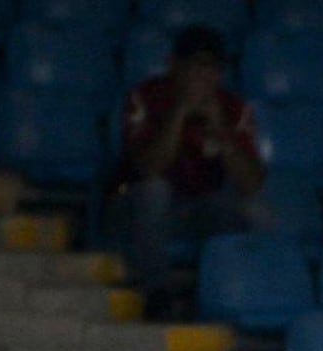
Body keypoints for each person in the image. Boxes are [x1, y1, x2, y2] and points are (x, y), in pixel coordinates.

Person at [114, 27, 266, 321]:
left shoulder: (232, 108)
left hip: (199, 210)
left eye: (214, 68)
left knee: (253, 209)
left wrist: (222, 132)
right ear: (174, 65)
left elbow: (252, 182)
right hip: (136, 213)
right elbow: (147, 169)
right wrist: (180, 111)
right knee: (154, 190)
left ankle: (226, 298)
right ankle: (156, 295)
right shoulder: (146, 97)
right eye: (198, 65)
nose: (206, 76)